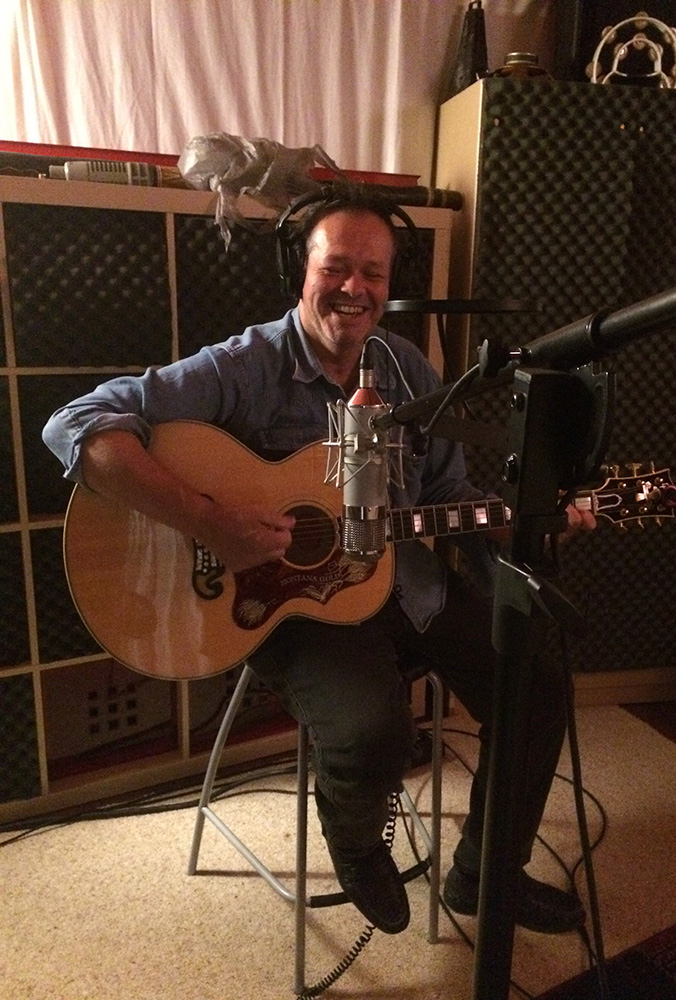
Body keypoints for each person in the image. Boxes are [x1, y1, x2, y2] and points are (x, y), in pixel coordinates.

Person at [43, 185, 594, 937]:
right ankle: (357, 843)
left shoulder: (407, 370)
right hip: (283, 602)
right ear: (300, 272)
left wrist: (532, 524)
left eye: (373, 273)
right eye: (335, 267)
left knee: (536, 685)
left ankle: (484, 877)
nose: (353, 288)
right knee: (374, 728)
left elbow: (448, 495)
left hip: (403, 582)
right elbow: (75, 424)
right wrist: (211, 522)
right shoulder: (244, 365)